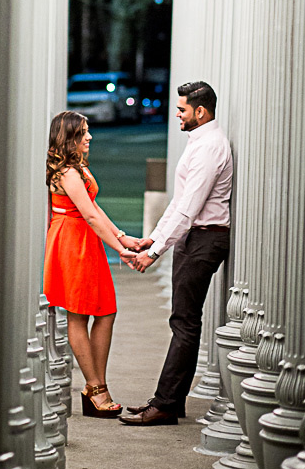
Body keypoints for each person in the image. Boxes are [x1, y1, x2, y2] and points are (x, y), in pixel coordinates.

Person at [119, 81, 232, 427]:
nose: (178, 116)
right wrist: (149, 241)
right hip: (194, 238)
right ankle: (168, 400)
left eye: (182, 110)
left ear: (201, 111)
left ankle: (167, 404)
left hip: (204, 239)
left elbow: (189, 209)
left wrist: (153, 254)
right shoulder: (199, 143)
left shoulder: (210, 147)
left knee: (184, 323)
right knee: (182, 321)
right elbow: (179, 204)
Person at [43, 111, 137, 419]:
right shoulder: (68, 173)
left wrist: (122, 238)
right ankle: (96, 388)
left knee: (105, 311)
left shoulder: (76, 167)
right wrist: (120, 249)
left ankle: (96, 386)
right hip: (73, 242)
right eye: (84, 132)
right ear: (70, 137)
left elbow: (94, 208)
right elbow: (90, 216)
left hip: (84, 241)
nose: (90, 137)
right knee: (79, 314)